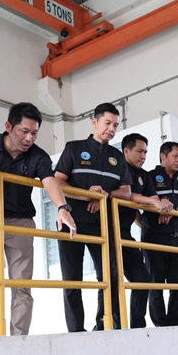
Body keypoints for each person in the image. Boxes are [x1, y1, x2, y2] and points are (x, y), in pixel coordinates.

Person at [0, 102, 76, 337]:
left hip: (21, 223)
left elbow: (49, 180)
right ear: (8, 126)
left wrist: (62, 207)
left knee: (22, 285)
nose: (29, 138)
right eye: (24, 131)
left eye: (34, 133)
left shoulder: (38, 155)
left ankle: (19, 340)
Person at [54, 102, 131, 332]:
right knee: (72, 280)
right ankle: (76, 330)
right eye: (107, 123)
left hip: (102, 225)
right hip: (71, 221)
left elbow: (126, 191)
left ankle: (103, 324)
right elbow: (57, 182)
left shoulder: (117, 157)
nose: (111, 129)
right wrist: (87, 194)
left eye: (115, 125)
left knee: (110, 277)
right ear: (94, 122)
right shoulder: (74, 148)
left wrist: (104, 195)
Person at [120, 133, 173, 328]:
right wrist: (152, 201)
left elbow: (153, 199)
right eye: (139, 151)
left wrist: (162, 201)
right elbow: (126, 194)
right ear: (126, 151)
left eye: (145, 152)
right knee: (109, 281)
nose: (143, 156)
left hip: (125, 234)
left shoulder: (143, 175)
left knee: (142, 279)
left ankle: (137, 327)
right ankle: (110, 326)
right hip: (106, 230)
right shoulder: (117, 168)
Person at [142, 142, 178, 327]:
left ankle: (175, 323)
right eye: (175, 156)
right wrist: (156, 210)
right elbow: (141, 203)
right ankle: (160, 325)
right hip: (154, 237)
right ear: (162, 156)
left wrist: (172, 210)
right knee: (155, 284)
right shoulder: (149, 176)